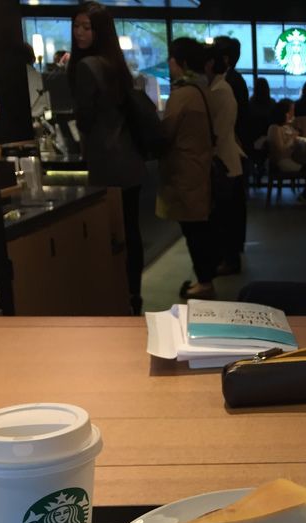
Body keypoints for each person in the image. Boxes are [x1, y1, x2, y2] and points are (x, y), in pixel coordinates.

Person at [67, 1, 147, 315]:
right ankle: (133, 295)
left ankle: (118, 296)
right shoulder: (115, 64)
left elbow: (85, 120)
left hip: (107, 163)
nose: (80, 33)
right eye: (77, 26)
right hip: (130, 160)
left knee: (113, 234)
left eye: (87, 27)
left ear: (99, 31)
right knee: (131, 230)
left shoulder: (87, 67)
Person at [155, 38, 215, 301]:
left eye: (171, 58)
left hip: (184, 171)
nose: (169, 63)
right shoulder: (204, 90)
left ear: (182, 62)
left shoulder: (182, 94)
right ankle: (205, 278)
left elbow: (166, 132)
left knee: (194, 231)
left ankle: (204, 282)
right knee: (200, 228)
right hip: (201, 167)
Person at [203, 42, 247, 287]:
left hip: (224, 160)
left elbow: (218, 132)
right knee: (229, 213)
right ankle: (229, 257)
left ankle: (229, 259)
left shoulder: (221, 89)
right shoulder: (224, 86)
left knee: (225, 215)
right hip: (230, 158)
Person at [212, 35, 249, 274]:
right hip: (235, 152)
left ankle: (230, 258)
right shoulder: (234, 81)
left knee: (228, 210)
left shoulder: (226, 85)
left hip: (229, 153)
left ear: (224, 58)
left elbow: (227, 126)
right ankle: (231, 255)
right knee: (233, 209)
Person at [266, 98, 306, 203]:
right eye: (291, 111)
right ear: (284, 112)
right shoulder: (274, 128)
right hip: (283, 162)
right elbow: (281, 150)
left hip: (292, 160)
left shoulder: (286, 127)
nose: (293, 114)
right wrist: (292, 139)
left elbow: (298, 139)